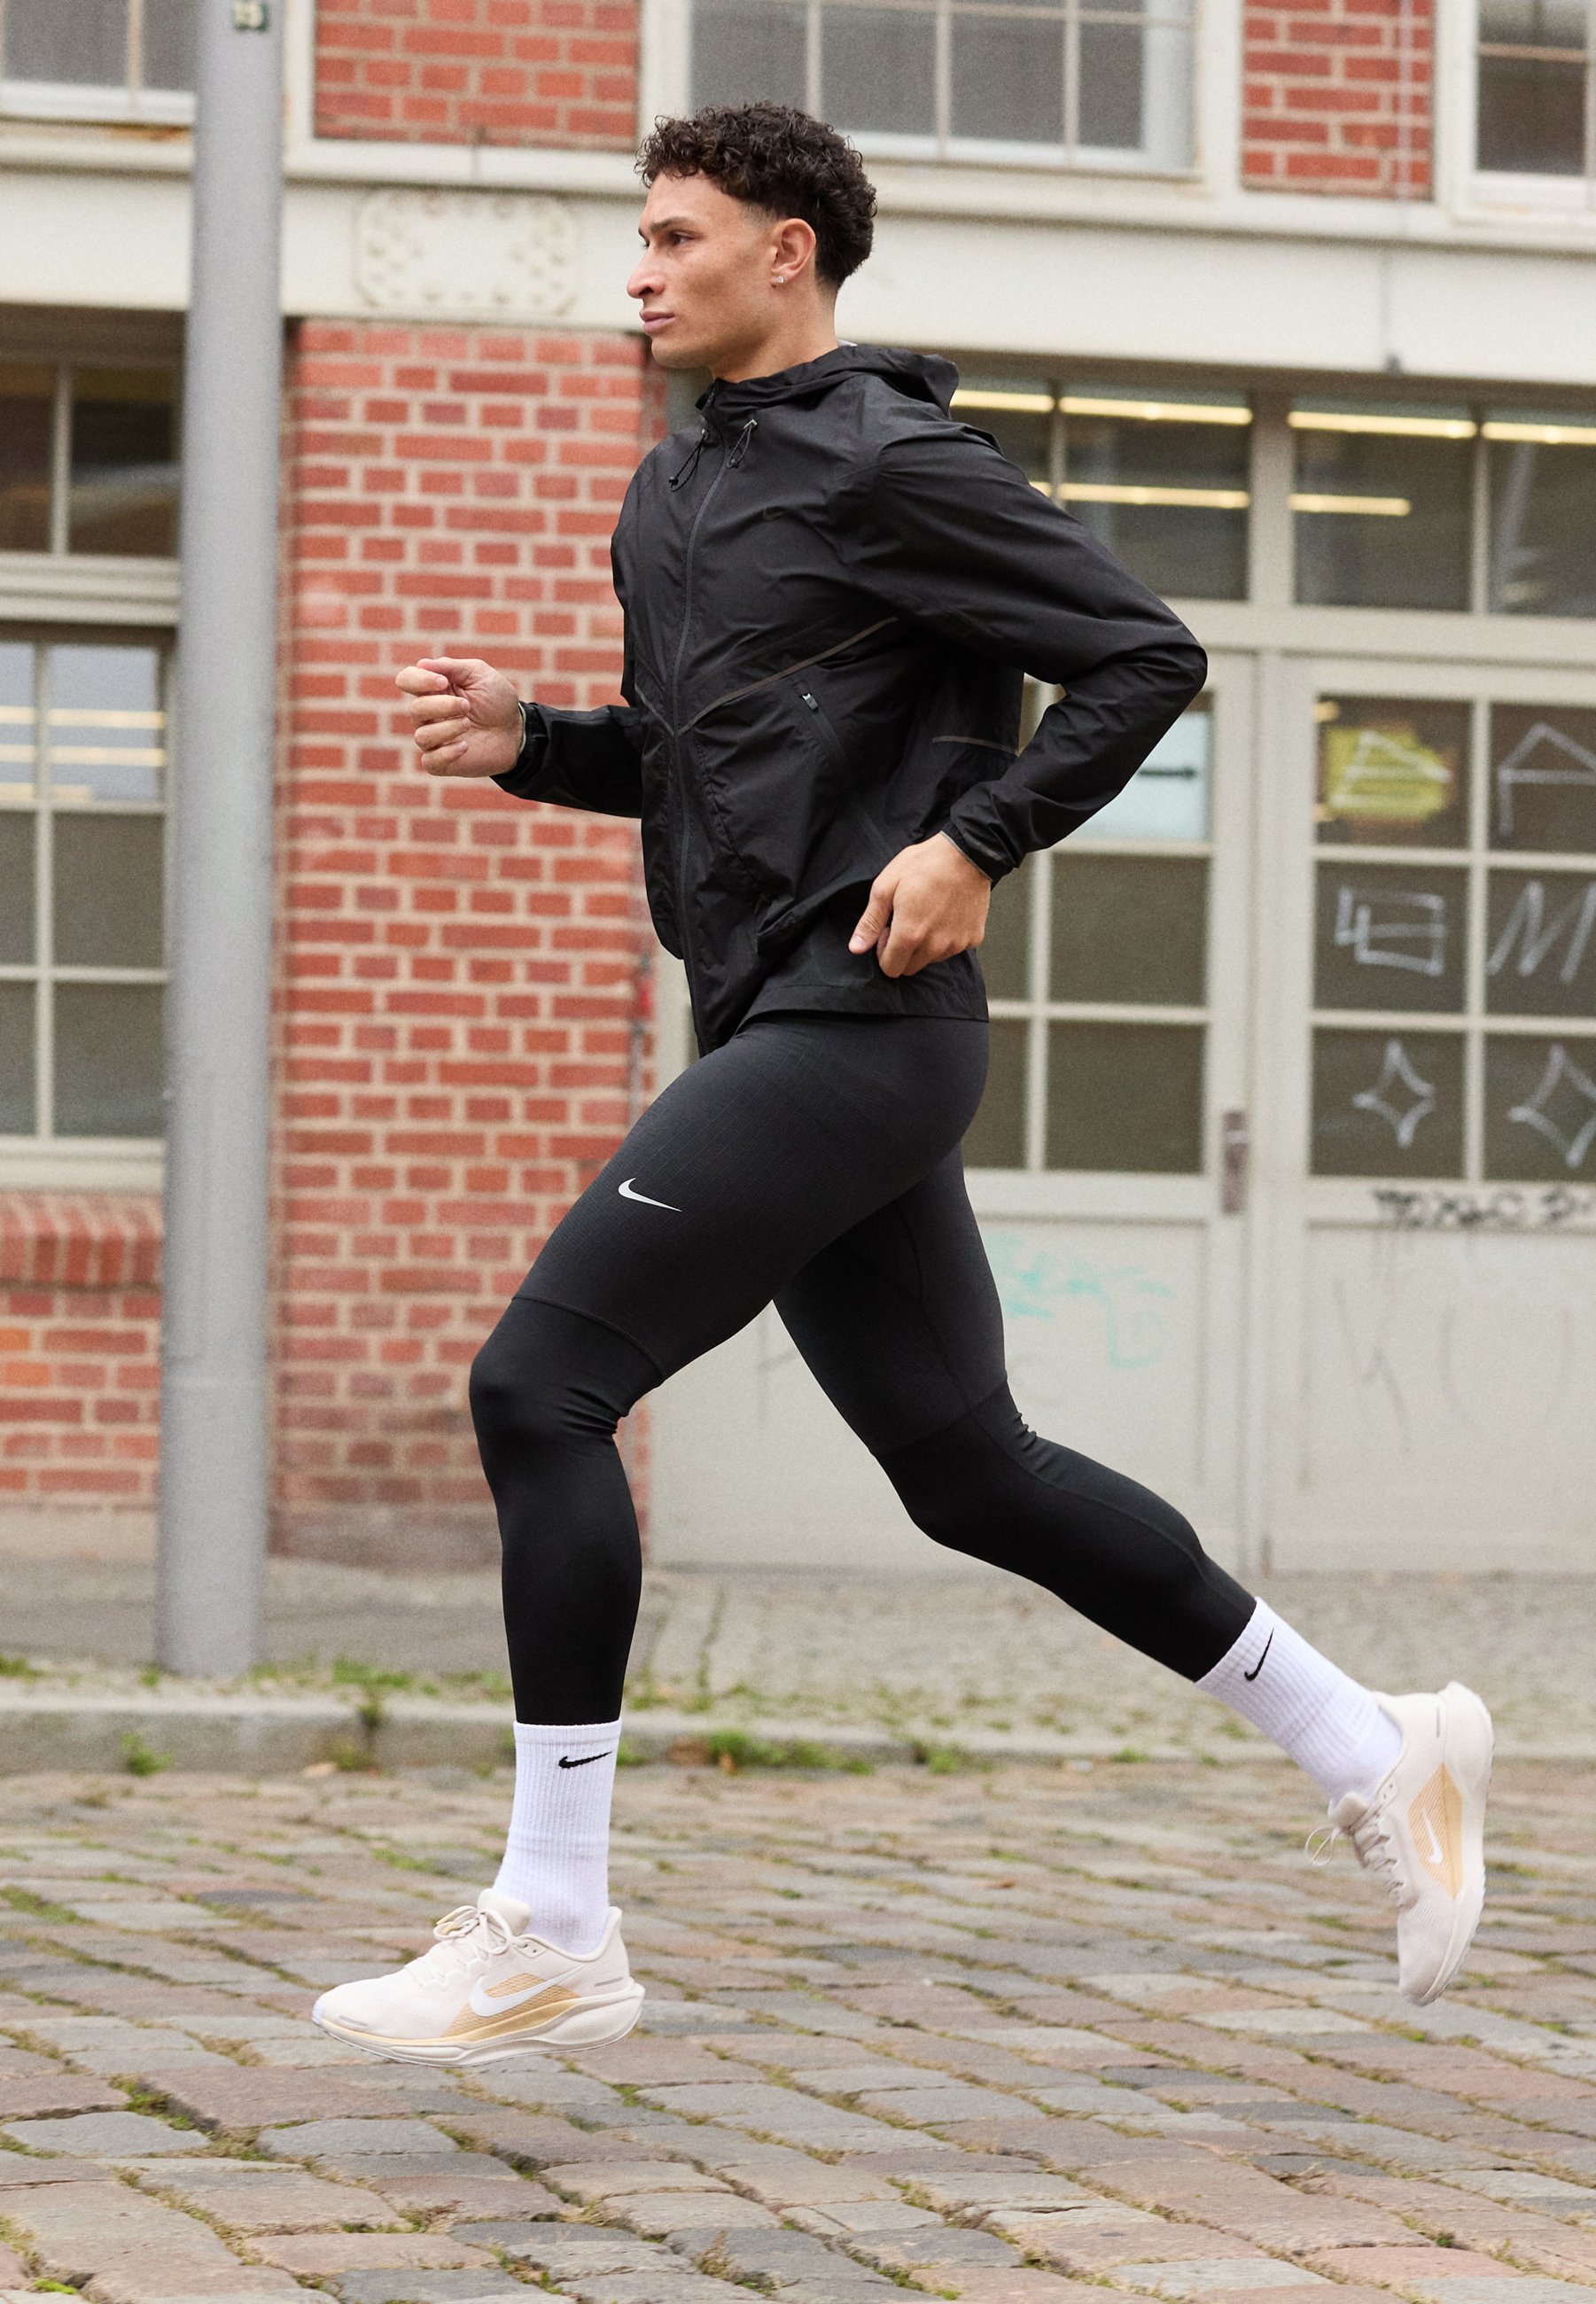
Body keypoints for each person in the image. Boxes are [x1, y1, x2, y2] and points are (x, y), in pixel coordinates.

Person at [311, 102, 1491, 2067]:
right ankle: (1374, 1743)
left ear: (787, 252)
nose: (641, 269)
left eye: (677, 235)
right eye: (641, 236)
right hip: (774, 1017)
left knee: (541, 1386)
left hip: (858, 1025)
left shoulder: (889, 455)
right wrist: (541, 740)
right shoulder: (670, 491)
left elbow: (1142, 655)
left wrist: (975, 840)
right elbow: (698, 762)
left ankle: (556, 1921)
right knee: (967, 1468)